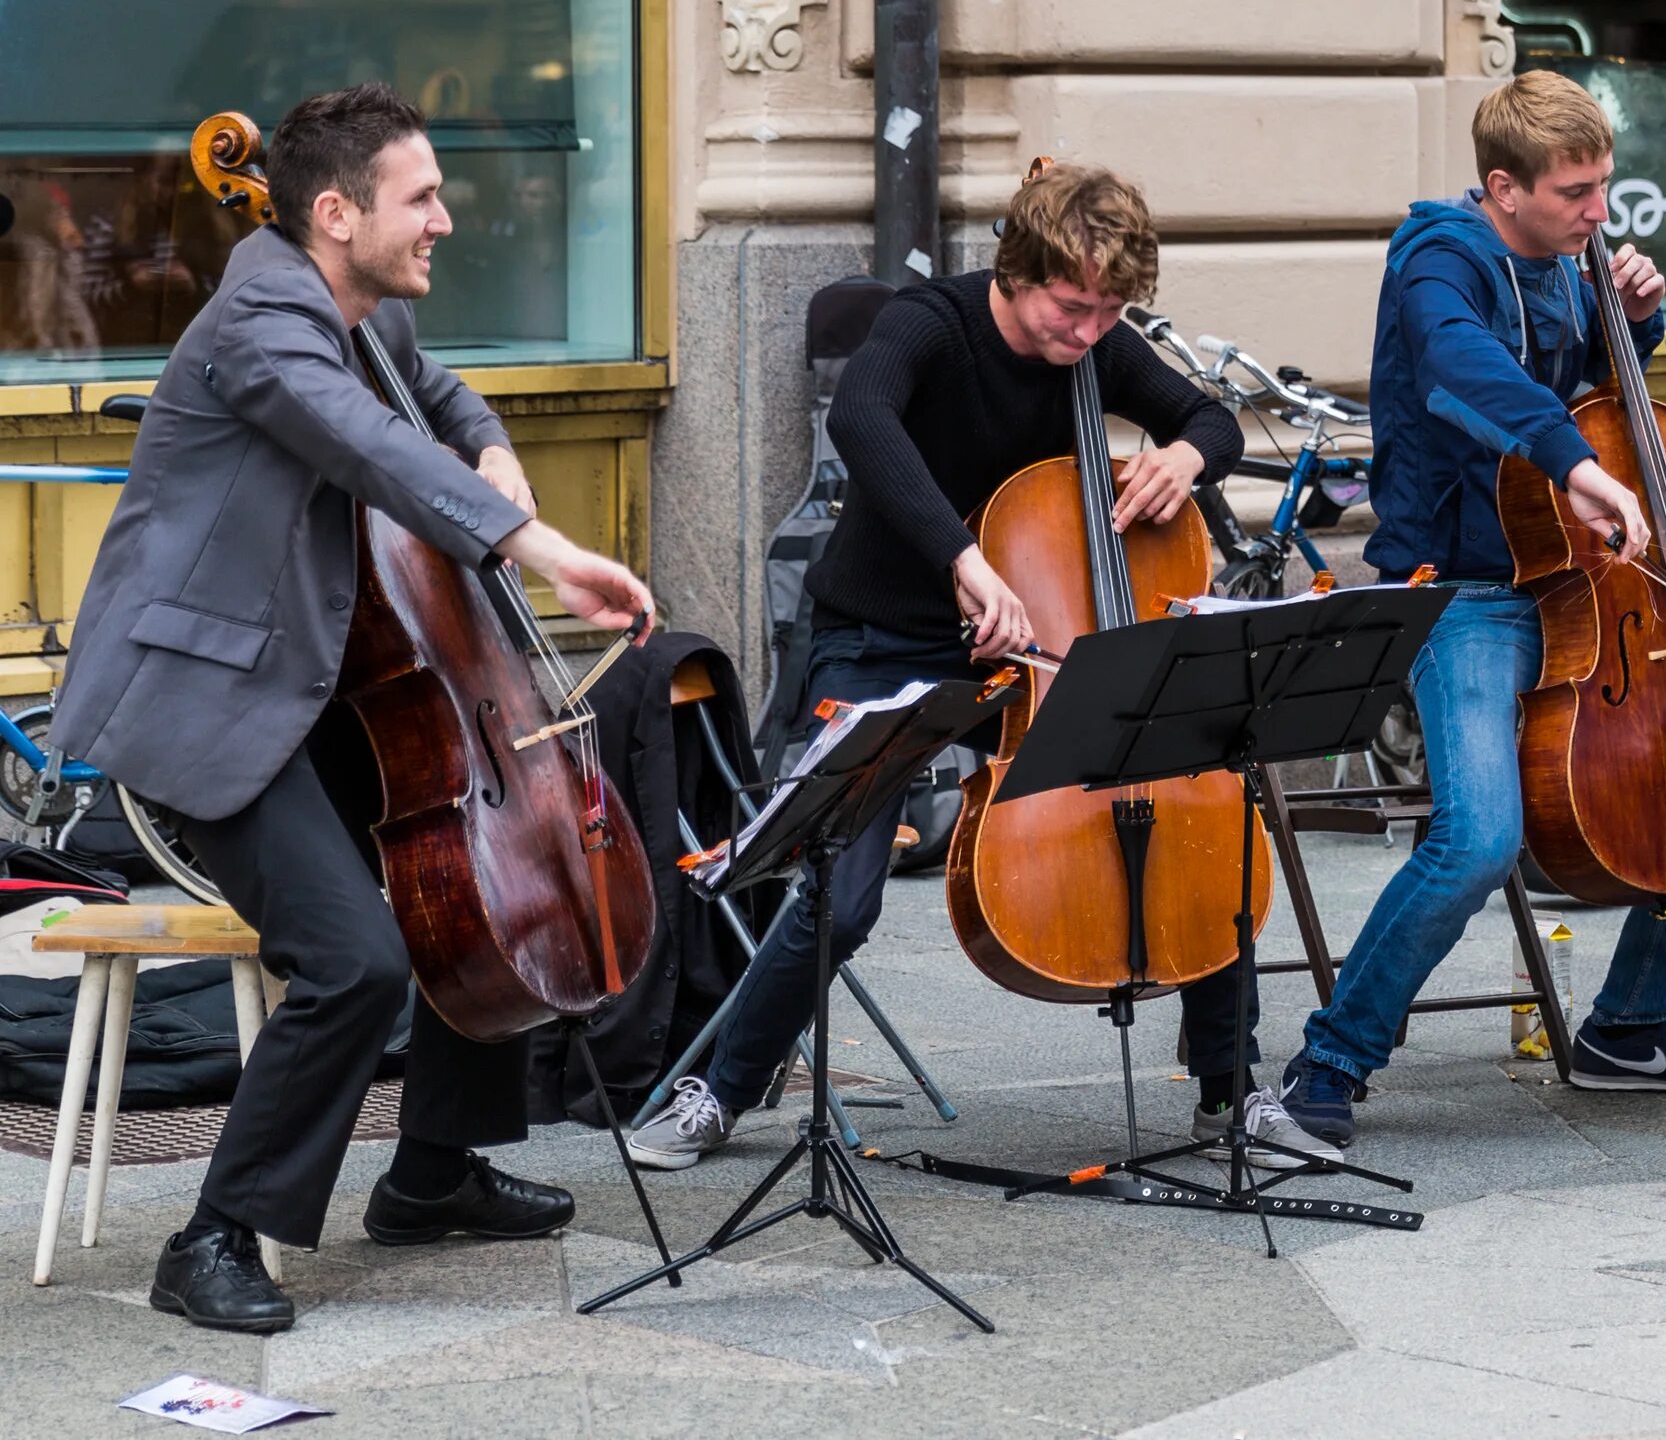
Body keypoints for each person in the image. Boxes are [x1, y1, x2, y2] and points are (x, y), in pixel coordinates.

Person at [52, 84, 660, 1333]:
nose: (445, 216)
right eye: (421, 196)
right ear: (335, 212)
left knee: (487, 886)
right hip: (205, 702)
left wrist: (490, 447)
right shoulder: (262, 320)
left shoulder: (356, 311)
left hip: (314, 677)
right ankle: (212, 1234)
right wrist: (539, 545)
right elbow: (368, 447)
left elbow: (433, 402)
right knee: (358, 960)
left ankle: (432, 1169)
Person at [624, 161, 1337, 1172]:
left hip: (1040, 644)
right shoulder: (934, 322)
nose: (1089, 334)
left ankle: (1230, 1088)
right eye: (1071, 306)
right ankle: (722, 1088)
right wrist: (963, 560)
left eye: (1110, 312)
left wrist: (1187, 457)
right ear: (1016, 269)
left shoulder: (1095, 345)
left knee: (1205, 805)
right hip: (885, 637)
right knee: (846, 883)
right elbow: (860, 418)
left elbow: (1209, 418)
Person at [1272, 71, 1666, 1147]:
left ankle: (1632, 1023)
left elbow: (1594, 383)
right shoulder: (1437, 255)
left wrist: (1640, 316)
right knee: (1479, 836)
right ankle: (1328, 1065)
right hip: (1470, 593)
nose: (1601, 212)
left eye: (1606, 186)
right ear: (1505, 186)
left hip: (1593, 589)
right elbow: (1460, 362)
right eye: (1578, 192)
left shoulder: (1573, 263)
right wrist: (1574, 462)